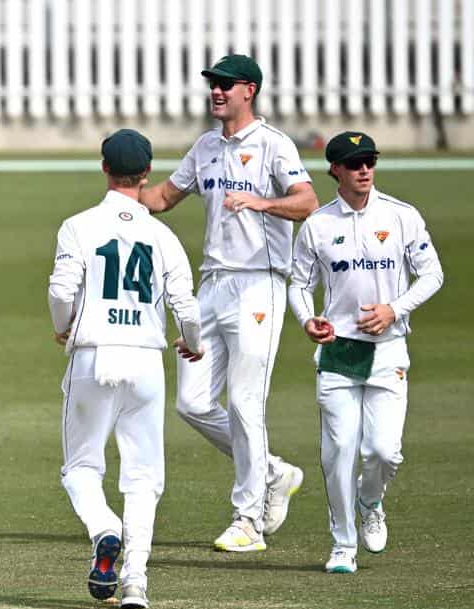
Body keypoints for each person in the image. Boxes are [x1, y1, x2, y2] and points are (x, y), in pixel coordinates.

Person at [139, 54, 319, 552]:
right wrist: (122, 188)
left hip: (260, 284)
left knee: (244, 401)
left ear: (249, 90)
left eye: (225, 85)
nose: (216, 91)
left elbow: (307, 202)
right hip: (213, 285)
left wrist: (262, 202)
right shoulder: (206, 147)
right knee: (192, 403)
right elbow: (161, 199)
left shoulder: (273, 145)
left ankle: (249, 520)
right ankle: (273, 472)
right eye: (212, 85)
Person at [48, 129, 203, 609]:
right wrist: (191, 345)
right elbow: (188, 308)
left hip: (94, 354)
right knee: (142, 477)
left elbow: (59, 291)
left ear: (103, 168)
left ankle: (103, 528)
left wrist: (65, 326)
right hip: (145, 359)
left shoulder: (79, 225)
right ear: (147, 174)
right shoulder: (161, 234)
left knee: (80, 467)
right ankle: (136, 580)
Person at [288, 132, 444, 573]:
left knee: (382, 451)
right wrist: (307, 320)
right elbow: (298, 284)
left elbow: (432, 275)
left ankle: (370, 498)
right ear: (335, 169)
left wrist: (395, 309)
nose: (364, 169)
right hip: (338, 352)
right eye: (354, 163)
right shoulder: (318, 224)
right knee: (338, 451)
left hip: (388, 349)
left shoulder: (401, 216)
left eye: (369, 161)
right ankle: (342, 544)